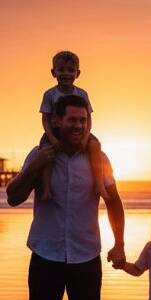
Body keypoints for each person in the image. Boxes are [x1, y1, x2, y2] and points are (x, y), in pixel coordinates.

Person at [6, 93, 126, 300]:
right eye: (72, 120)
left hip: (86, 255)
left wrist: (119, 244)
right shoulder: (41, 153)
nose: (79, 125)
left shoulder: (98, 158)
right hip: (45, 255)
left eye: (84, 120)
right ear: (57, 121)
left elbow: (114, 202)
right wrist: (37, 166)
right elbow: (12, 197)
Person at [37, 50, 108, 201]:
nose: (66, 74)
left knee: (95, 145)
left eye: (71, 70)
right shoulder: (50, 94)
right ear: (53, 72)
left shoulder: (82, 94)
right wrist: (52, 138)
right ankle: (47, 189)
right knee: (46, 152)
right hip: (54, 132)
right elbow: (45, 119)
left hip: (79, 132)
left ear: (78, 73)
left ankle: (99, 184)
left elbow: (88, 118)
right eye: (61, 70)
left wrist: (85, 137)